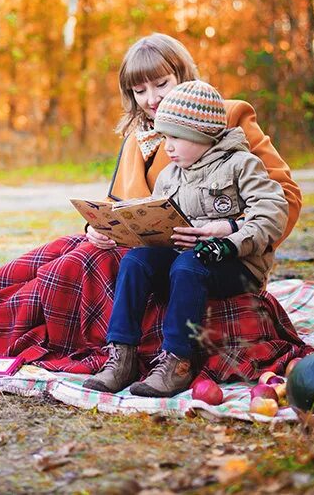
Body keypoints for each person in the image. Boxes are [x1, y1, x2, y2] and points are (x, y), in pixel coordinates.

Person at [0, 33, 306, 381]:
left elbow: (283, 196)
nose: (152, 99)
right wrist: (98, 227)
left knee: (76, 267)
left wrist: (229, 229)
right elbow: (121, 202)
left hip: (213, 256)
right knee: (61, 253)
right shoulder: (138, 138)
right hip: (143, 250)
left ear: (185, 76)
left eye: (162, 84)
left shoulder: (228, 117)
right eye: (140, 91)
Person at [81, 80, 289, 396]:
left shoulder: (240, 164)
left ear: (203, 135)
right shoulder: (170, 176)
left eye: (176, 137)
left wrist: (231, 235)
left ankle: (178, 361)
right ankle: (121, 355)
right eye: (165, 137)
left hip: (237, 265)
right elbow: (161, 222)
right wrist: (119, 230)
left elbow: (272, 212)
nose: (168, 147)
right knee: (137, 260)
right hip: (187, 260)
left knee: (190, 264)